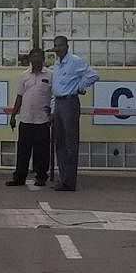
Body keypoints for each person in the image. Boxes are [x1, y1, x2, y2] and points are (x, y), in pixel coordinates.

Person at [50, 35, 99, 192]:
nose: (58, 49)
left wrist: (79, 87)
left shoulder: (74, 61)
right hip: (58, 103)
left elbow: (93, 75)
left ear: (67, 46)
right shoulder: (56, 64)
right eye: (55, 46)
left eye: (60, 46)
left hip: (70, 103)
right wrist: (52, 109)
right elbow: (55, 89)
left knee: (70, 144)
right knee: (60, 144)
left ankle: (69, 181)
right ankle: (63, 179)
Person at [6, 46, 52, 187]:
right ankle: (19, 178)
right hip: (26, 119)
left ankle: (41, 177)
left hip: (42, 120)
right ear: (30, 59)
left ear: (43, 59)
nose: (36, 60)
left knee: (42, 152)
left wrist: (52, 111)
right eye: (34, 57)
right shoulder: (24, 76)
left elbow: (56, 96)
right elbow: (19, 97)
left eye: (39, 57)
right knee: (23, 151)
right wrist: (13, 115)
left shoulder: (51, 75)